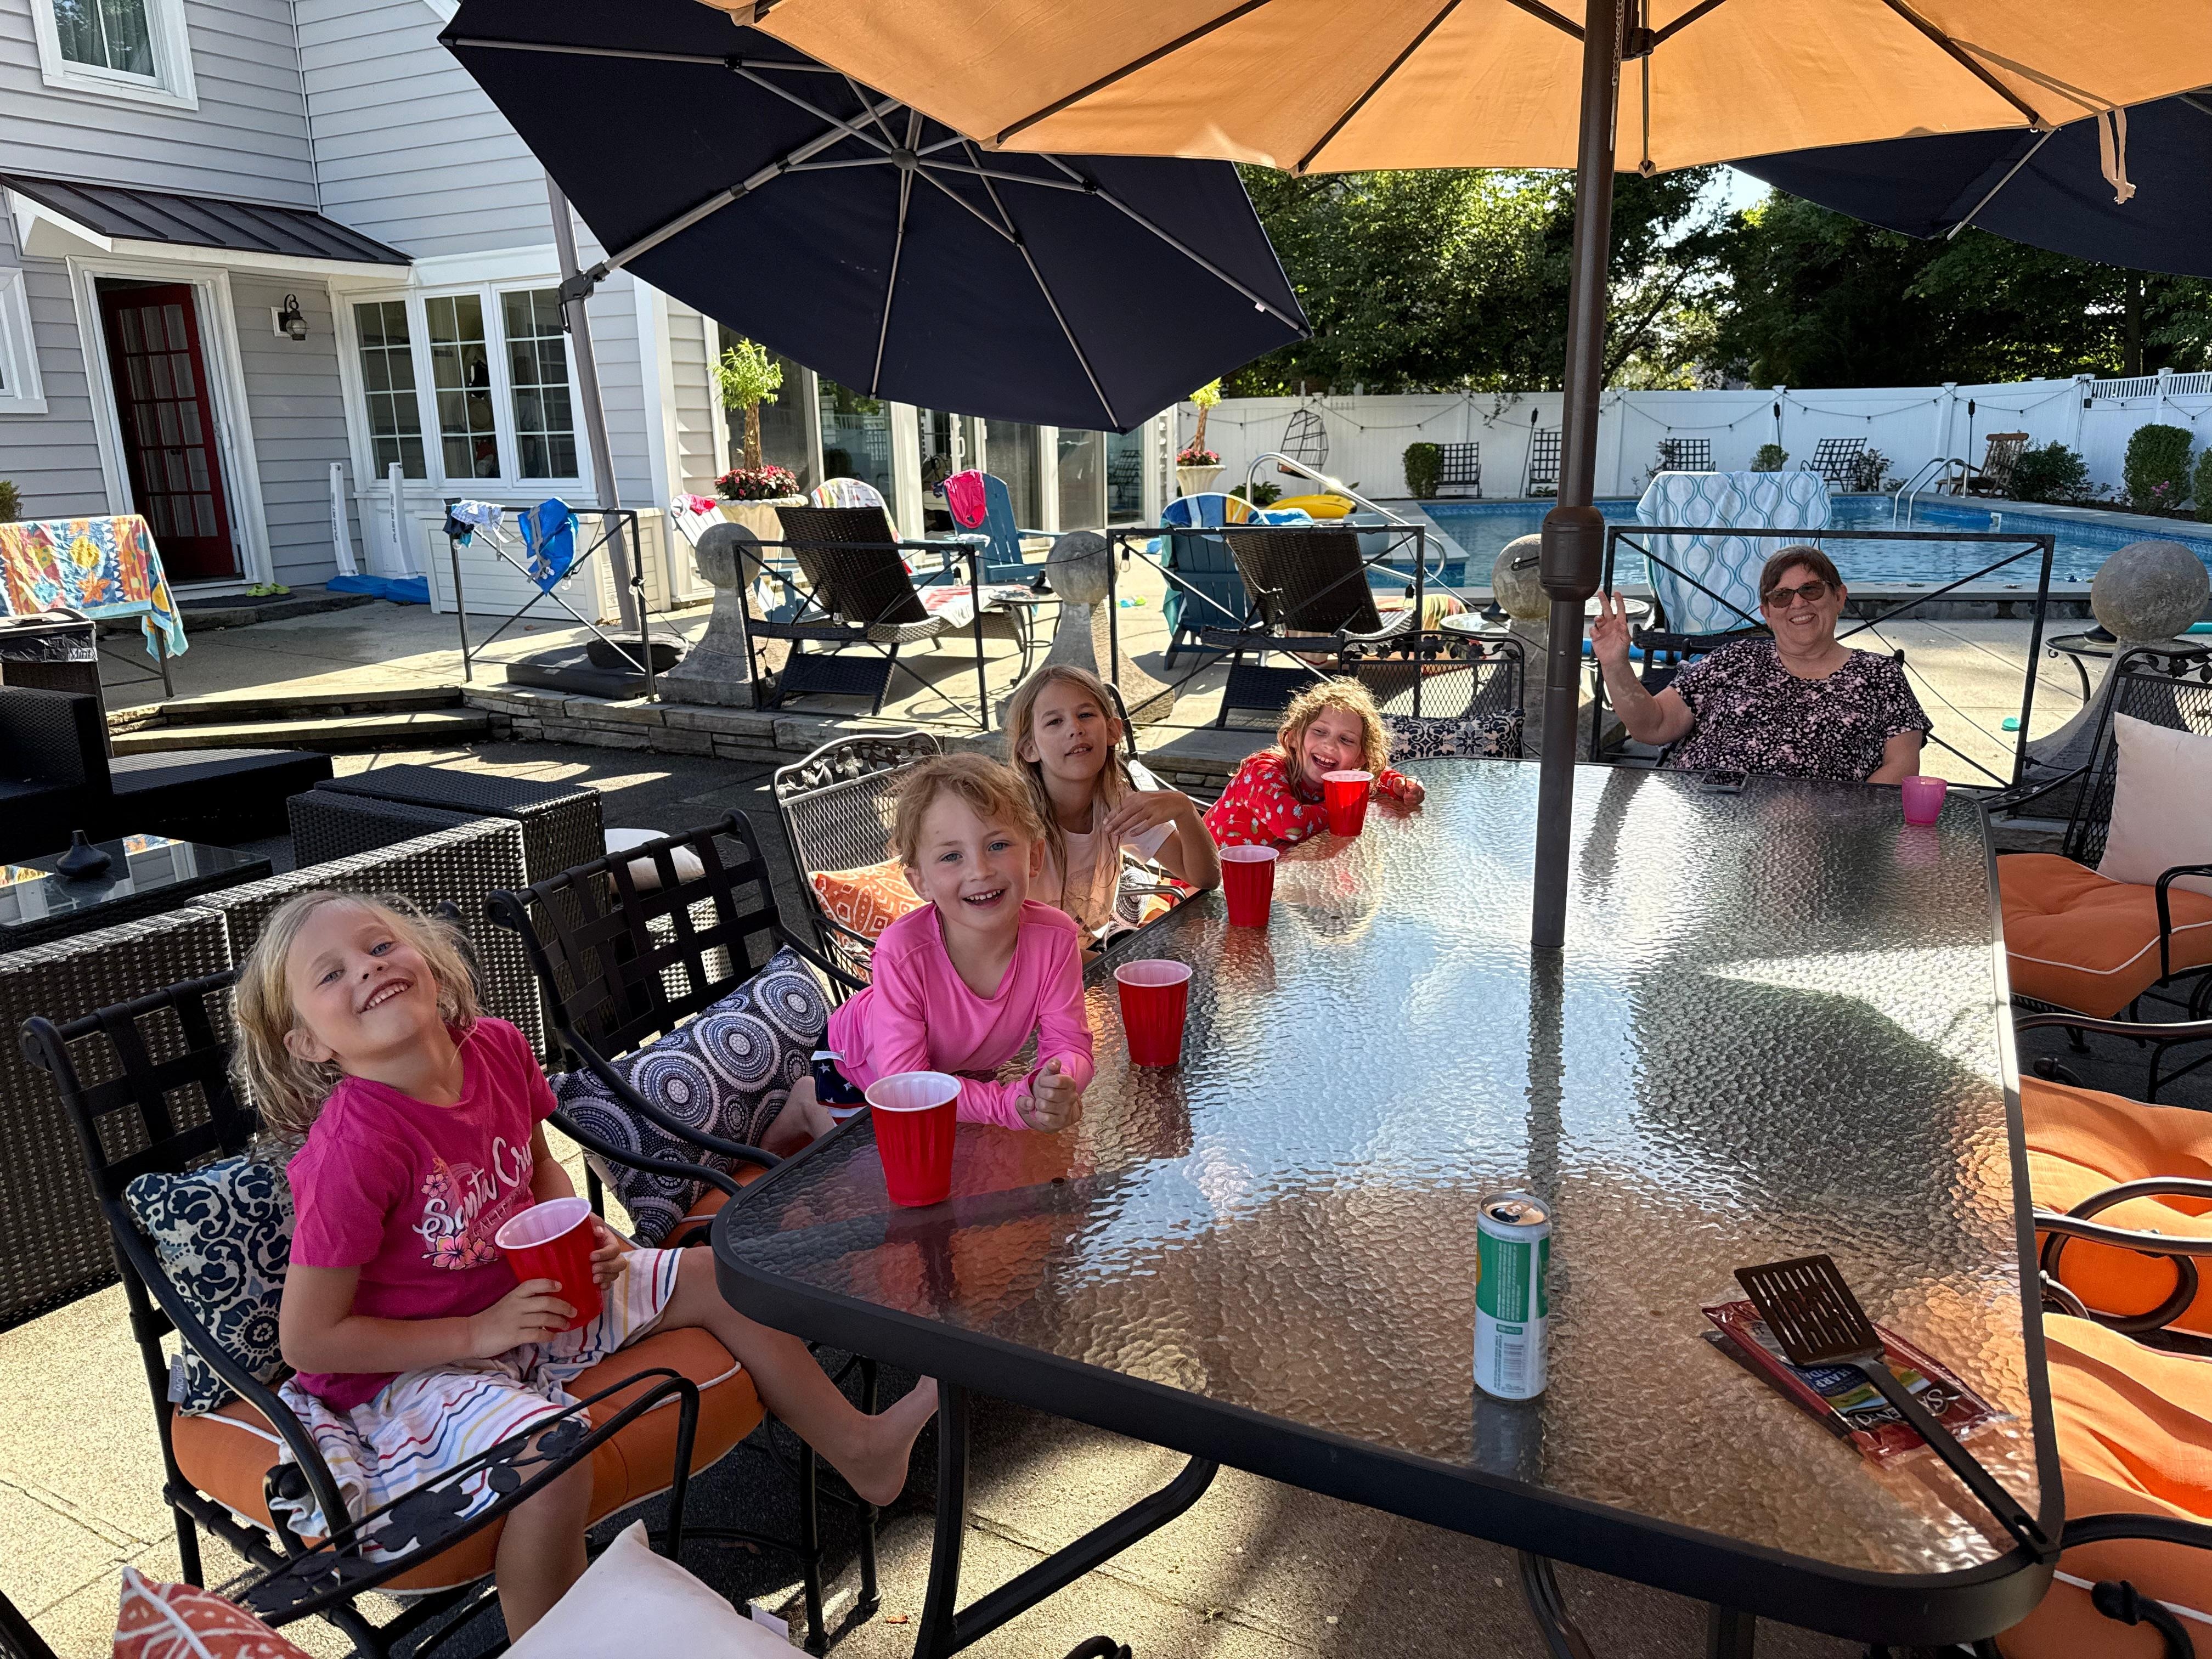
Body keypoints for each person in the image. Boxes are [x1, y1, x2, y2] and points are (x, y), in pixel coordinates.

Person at [239, 891, 937, 1638]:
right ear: (309, 1044)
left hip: (529, 1304)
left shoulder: (496, 1048)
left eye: (381, 947)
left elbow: (540, 1167)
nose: (367, 970)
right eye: (331, 974)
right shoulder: (354, 1149)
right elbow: (309, 1341)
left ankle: (861, 1450)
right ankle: (557, 1646)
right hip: (413, 1371)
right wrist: (478, 1333)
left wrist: (577, 1235)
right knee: (554, 1459)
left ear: (431, 963)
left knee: (716, 1276)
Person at [764, 753, 1095, 1150]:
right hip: (860, 1067)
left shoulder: (1056, 938)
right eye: (952, 856)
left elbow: (1069, 1044)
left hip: (958, 1065)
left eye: (998, 845)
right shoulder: (901, 952)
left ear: (1035, 856)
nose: (980, 871)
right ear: (920, 882)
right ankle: (807, 1104)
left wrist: (1057, 1084)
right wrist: (1009, 1104)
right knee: (874, 1171)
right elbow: (907, 1084)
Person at [1588, 545, 1932, 783]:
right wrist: (1616, 664)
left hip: (1816, 840)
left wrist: (1837, 823)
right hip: (1701, 824)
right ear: (1767, 613)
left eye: (1811, 590)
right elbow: (1654, 726)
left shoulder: (1880, 675)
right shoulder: (1732, 659)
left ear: (1839, 597)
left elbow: (1901, 768)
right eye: (1781, 596)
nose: (1797, 603)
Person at [1002, 664, 1220, 936]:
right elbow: (1006, 937)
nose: (1075, 728)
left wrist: (1184, 810)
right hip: (1039, 959)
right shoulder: (1013, 822)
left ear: (1113, 731)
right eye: (1055, 722)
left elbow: (1206, 877)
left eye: (1085, 715)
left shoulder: (1116, 802)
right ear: (1029, 748)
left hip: (1092, 951)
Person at [1203, 678, 1425, 849]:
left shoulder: (1344, 777)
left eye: (1346, 740)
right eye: (1319, 731)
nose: (1330, 745)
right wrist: (1345, 809)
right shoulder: (1262, 770)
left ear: (1360, 758)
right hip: (1206, 885)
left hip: (1280, 874)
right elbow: (1293, 826)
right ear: (1293, 737)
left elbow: (1375, 775)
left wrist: (1399, 784)